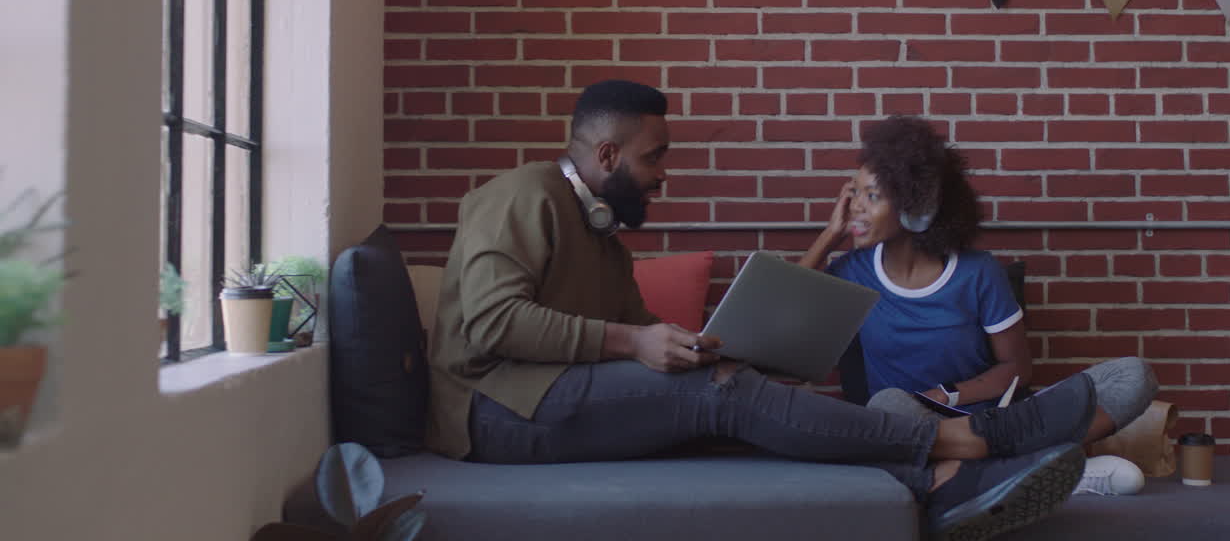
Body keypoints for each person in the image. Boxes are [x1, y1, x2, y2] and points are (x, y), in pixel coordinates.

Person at [424, 80, 1098, 541]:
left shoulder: (600, 234)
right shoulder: (520, 195)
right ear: (606, 155)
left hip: (549, 397)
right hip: (495, 412)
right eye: (654, 157)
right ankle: (969, 440)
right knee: (721, 395)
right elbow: (492, 324)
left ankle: (939, 483)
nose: (664, 173)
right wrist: (636, 345)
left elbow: (634, 337)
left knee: (732, 406)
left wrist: (683, 346)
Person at [798, 115, 1158, 497]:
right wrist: (828, 236)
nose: (855, 207)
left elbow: (1016, 367)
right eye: (853, 193)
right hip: (911, 426)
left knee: (1134, 376)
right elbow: (782, 312)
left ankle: (997, 471)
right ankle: (1039, 467)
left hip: (996, 421)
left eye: (872, 196)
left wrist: (946, 395)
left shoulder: (979, 273)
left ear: (916, 206)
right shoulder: (853, 271)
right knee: (887, 406)